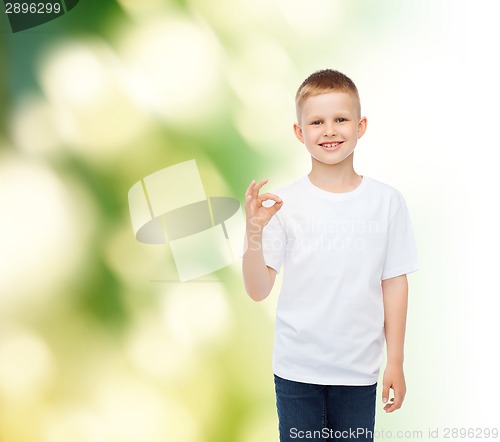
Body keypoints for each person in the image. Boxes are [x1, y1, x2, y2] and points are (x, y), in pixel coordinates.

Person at [241, 69, 419, 441]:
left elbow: (394, 282)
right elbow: (258, 290)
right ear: (299, 132)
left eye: (340, 119)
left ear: (361, 125)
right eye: (317, 121)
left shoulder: (387, 203)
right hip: (296, 372)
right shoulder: (282, 206)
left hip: (358, 371)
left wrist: (396, 361)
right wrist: (253, 230)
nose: (330, 130)